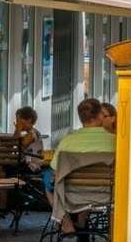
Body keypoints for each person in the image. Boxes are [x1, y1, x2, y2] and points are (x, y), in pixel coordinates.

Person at [50, 97, 116, 234]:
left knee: (47, 180)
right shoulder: (115, 141)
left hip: (72, 196)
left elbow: (55, 170)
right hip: (107, 195)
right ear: (99, 116)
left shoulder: (67, 141)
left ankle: (66, 221)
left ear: (80, 118)